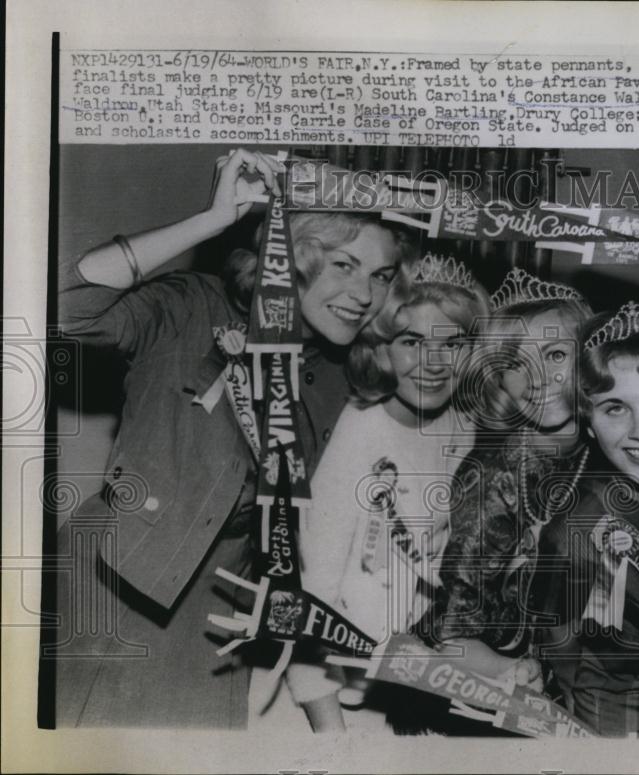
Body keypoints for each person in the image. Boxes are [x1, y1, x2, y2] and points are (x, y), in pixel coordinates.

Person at [51, 149, 415, 728]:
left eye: (380, 275)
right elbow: (65, 311)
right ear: (293, 256)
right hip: (115, 582)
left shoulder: (344, 372)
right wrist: (211, 220)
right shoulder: (193, 307)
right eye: (345, 265)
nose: (364, 294)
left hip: (222, 613)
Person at [285, 252, 489, 733]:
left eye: (452, 344)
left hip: (419, 692)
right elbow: (309, 598)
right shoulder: (358, 431)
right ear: (379, 347)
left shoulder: (469, 430)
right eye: (412, 341)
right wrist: (332, 738)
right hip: (330, 704)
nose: (434, 363)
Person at [424, 268, 594, 702]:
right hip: (496, 690)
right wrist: (515, 671)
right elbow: (452, 637)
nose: (537, 379)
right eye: (517, 362)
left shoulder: (608, 449)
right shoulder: (492, 479)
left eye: (556, 354)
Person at [535, 301, 639, 737]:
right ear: (588, 421)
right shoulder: (576, 530)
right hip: (625, 721)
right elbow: (560, 647)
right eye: (614, 408)